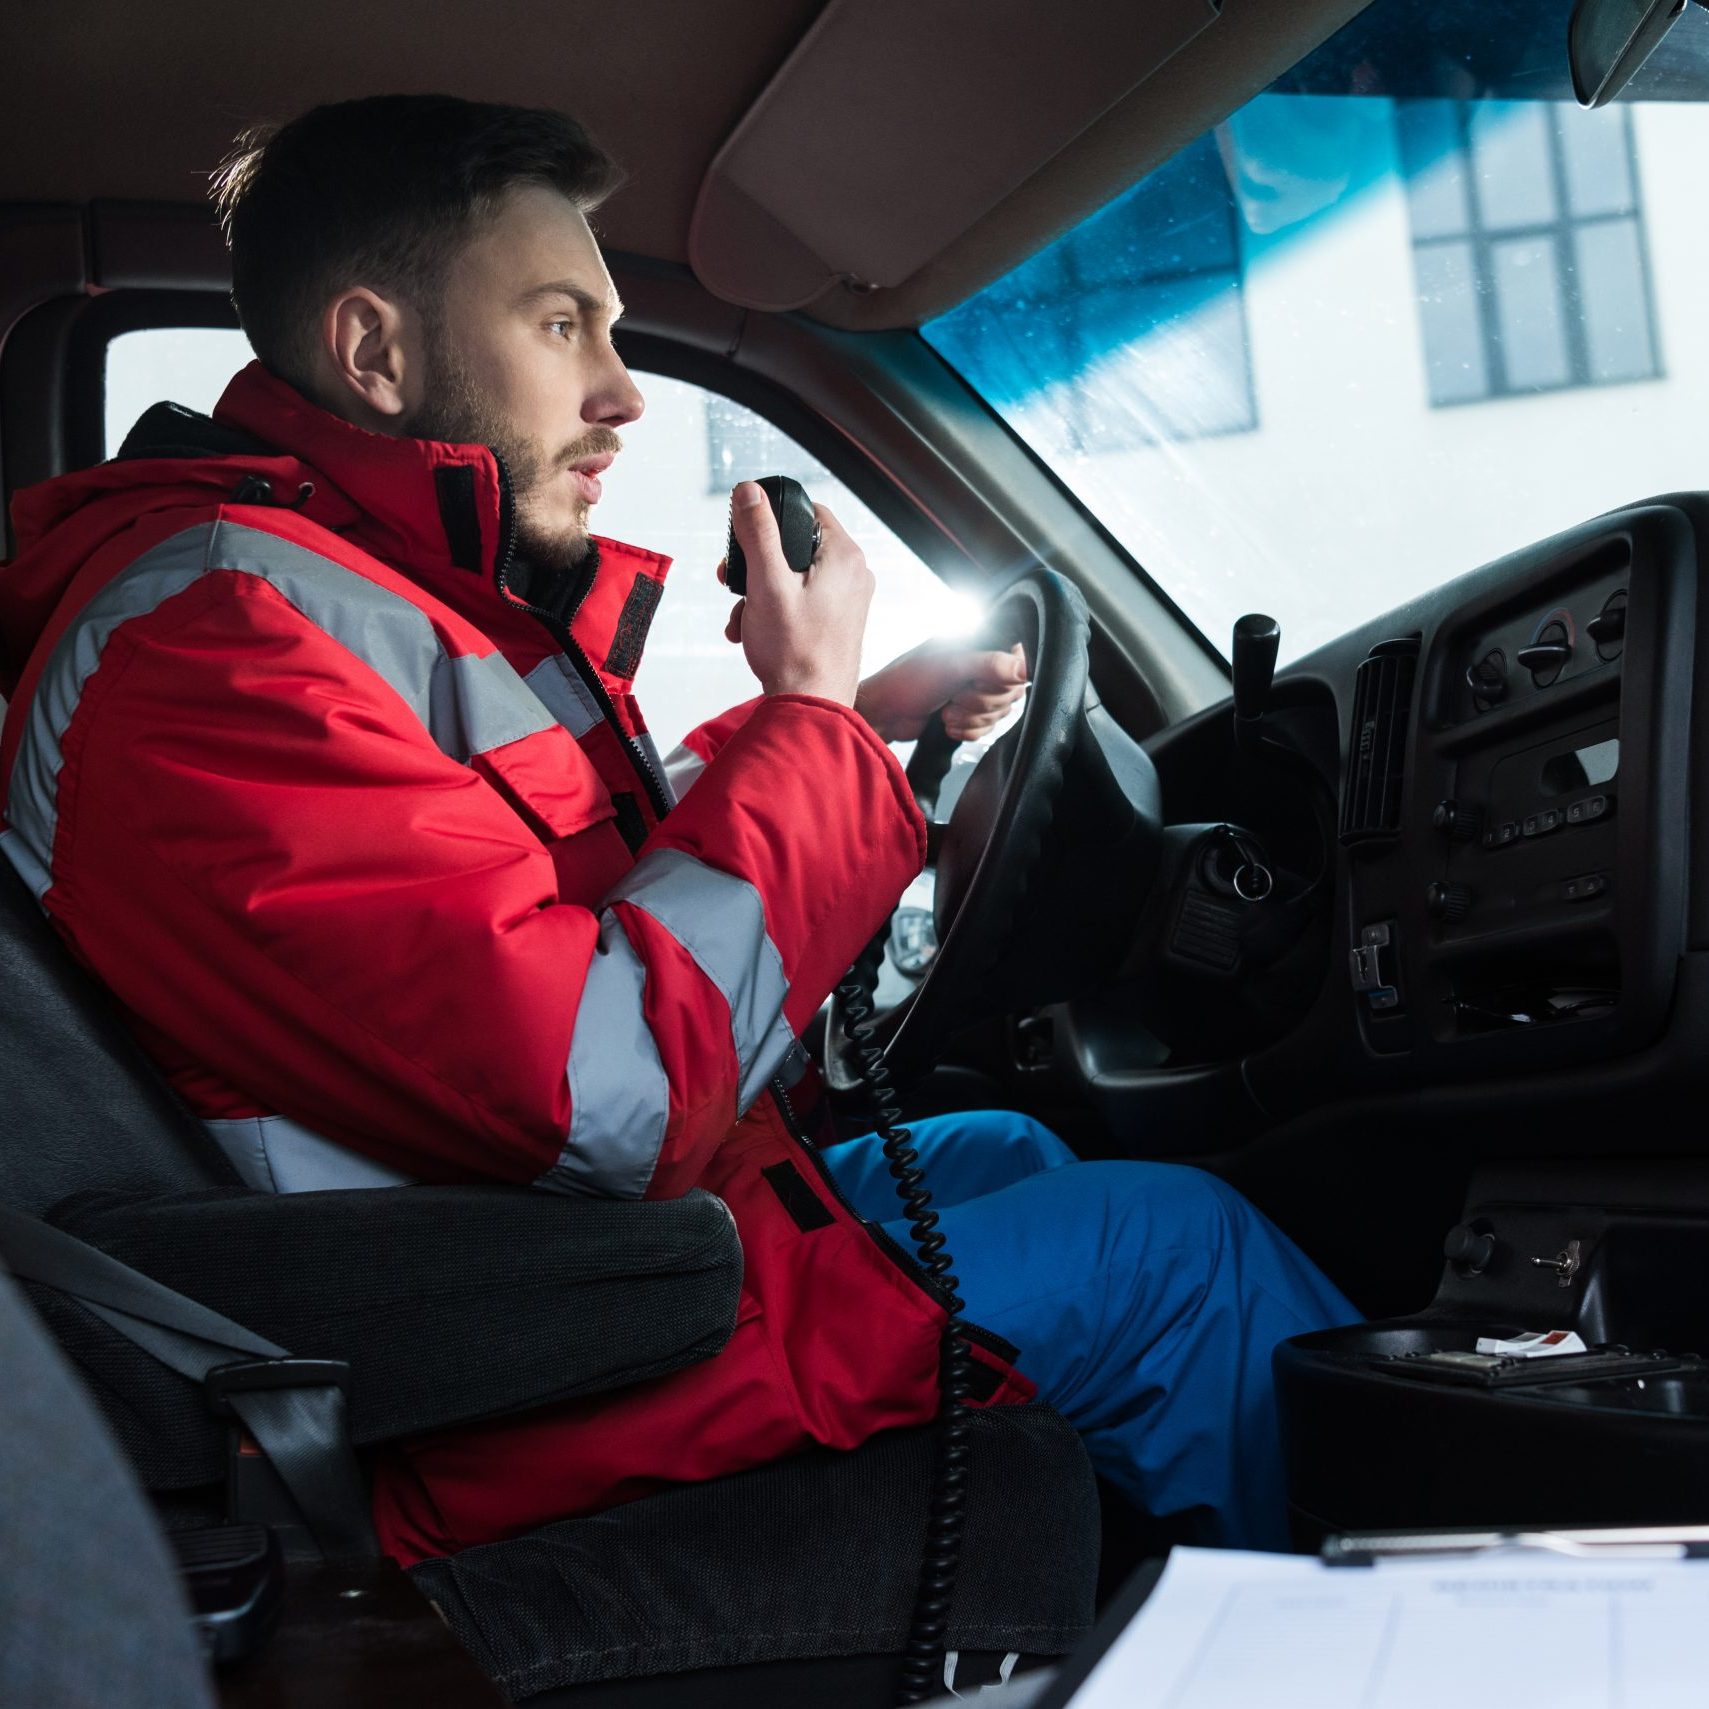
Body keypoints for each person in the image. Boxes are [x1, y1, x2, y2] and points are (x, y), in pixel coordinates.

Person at [0, 95, 1355, 1564]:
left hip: (560, 1271)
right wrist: (809, 730)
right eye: (560, 323)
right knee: (1179, 1254)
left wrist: (851, 726)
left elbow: (559, 883)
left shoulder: (352, 597)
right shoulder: (217, 647)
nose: (623, 392)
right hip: (482, 1374)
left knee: (1010, 1150)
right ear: (374, 352)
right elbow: (609, 1096)